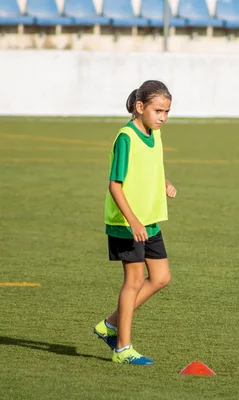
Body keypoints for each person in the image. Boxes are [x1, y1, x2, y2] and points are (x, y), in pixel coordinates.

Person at [93, 80, 177, 365]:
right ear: (140, 107)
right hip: (127, 223)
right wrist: (133, 221)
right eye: (158, 111)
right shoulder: (126, 138)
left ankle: (110, 325)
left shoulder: (154, 133)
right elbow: (115, 185)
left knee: (161, 277)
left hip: (150, 220)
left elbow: (149, 168)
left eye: (167, 111)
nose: (163, 117)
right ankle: (122, 348)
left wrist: (163, 182)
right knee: (134, 281)